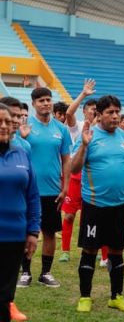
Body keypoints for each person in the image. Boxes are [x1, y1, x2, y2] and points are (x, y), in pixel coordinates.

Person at [72, 95, 124, 312]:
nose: (116, 116)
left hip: (120, 205)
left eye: (117, 111)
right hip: (94, 205)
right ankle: (85, 297)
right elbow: (74, 168)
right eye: (110, 112)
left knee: (117, 250)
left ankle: (116, 296)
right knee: (90, 250)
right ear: (98, 115)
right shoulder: (89, 136)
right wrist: (83, 145)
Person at [17, 87, 71, 288]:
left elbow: (66, 159)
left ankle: (46, 273)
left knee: (50, 232)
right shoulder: (23, 127)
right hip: (27, 190)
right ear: (33, 104)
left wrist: (65, 187)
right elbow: (12, 152)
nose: (46, 103)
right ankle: (25, 272)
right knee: (26, 231)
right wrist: (22, 137)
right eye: (41, 100)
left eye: (48, 99)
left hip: (52, 191)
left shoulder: (61, 129)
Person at [0, 103, 40, 322]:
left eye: (8, 121)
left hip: (14, 237)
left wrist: (33, 231)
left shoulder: (21, 154)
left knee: (6, 295)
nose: (5, 126)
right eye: (0, 122)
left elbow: (33, 196)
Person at [59, 78, 97, 263]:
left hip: (94, 181)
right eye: (91, 109)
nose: (94, 112)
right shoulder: (78, 127)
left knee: (93, 217)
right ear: (84, 111)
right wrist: (83, 94)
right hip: (75, 178)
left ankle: (99, 253)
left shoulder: (104, 129)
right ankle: (65, 250)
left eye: (97, 110)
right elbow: (68, 113)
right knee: (69, 215)